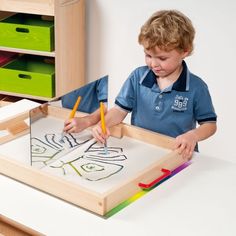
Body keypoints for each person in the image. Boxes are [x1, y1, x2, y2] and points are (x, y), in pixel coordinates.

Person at [92, 10, 217, 160]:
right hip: (141, 151)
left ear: (184, 52)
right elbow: (119, 110)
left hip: (178, 155)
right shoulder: (138, 77)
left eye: (162, 58)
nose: (153, 63)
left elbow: (210, 125)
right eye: (148, 55)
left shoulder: (197, 87)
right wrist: (102, 124)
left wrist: (193, 135)